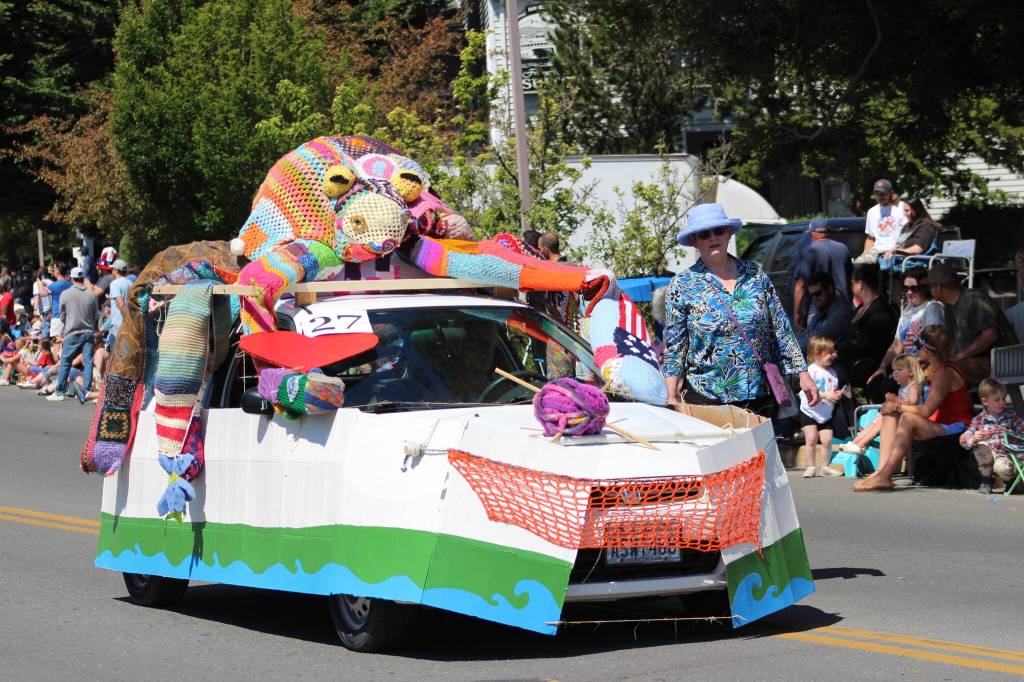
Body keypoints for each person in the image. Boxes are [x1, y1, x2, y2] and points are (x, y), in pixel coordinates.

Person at [664, 203, 819, 417]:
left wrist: (803, 374)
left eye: (719, 230)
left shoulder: (754, 274)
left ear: (728, 234)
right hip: (707, 396)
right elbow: (676, 344)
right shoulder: (682, 285)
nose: (712, 237)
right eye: (704, 233)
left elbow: (780, 327)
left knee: (759, 452)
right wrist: (670, 394)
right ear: (694, 241)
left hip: (759, 393)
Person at [854, 325, 974, 491]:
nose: (917, 351)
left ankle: (885, 474)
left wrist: (898, 405)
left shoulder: (945, 373)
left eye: (918, 347)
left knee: (907, 418)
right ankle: (881, 472)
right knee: (890, 413)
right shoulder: (937, 370)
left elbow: (926, 411)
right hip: (942, 424)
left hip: (957, 428)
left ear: (925, 348)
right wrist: (895, 407)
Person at [922, 261, 1017, 386]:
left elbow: (991, 335)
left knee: (942, 373)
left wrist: (958, 357)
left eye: (930, 287)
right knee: (926, 371)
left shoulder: (974, 299)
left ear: (940, 286)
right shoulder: (949, 306)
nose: (930, 291)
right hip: (978, 360)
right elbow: (952, 343)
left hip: (1001, 361)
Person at [866, 268, 944, 401]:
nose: (909, 292)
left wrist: (905, 369)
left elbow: (932, 347)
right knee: (874, 382)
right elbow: (897, 344)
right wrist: (882, 367)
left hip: (922, 367)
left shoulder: (932, 308)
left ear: (924, 287)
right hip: (906, 366)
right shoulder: (908, 310)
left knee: (887, 387)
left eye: (914, 288)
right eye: (905, 288)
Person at [840, 353, 925, 455]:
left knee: (881, 422)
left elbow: (912, 404)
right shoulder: (903, 387)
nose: (895, 373)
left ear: (911, 372)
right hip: (900, 416)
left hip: (909, 419)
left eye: (899, 369)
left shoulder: (913, 386)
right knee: (875, 421)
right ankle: (855, 442)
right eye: (894, 370)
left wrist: (896, 399)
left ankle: (862, 444)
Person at [959, 379, 1024, 495]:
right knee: (981, 446)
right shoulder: (979, 420)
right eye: (997, 399)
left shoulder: (1010, 417)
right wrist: (973, 438)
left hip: (1004, 456)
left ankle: (1010, 481)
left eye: (1004, 398)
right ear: (985, 401)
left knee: (1006, 468)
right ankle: (986, 481)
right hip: (987, 456)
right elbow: (963, 439)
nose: (1002, 402)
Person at [836, 264, 896, 386]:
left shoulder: (881, 311)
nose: (851, 287)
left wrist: (839, 348)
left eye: (852, 283)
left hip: (864, 367)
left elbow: (868, 345)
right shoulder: (860, 308)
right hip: (848, 360)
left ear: (860, 284)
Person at [48, 266, 99, 401]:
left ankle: (59, 392)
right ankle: (86, 390)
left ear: (71, 278)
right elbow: (95, 316)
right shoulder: (91, 294)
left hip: (72, 332)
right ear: (83, 278)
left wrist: (69, 322)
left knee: (65, 362)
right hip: (88, 331)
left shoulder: (65, 294)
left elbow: (62, 316)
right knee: (88, 362)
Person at [792, 218, 852, 329]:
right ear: (827, 232)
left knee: (817, 344)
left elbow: (801, 285)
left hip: (818, 311)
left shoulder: (809, 252)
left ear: (812, 233)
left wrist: (797, 313)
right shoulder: (843, 249)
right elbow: (851, 281)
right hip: (843, 308)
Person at [799, 336, 844, 477]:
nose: (834, 355)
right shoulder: (811, 371)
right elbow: (808, 391)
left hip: (825, 412)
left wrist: (837, 395)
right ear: (818, 353)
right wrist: (825, 396)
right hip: (810, 411)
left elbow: (833, 389)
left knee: (827, 439)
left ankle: (825, 466)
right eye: (830, 352)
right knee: (811, 438)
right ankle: (810, 466)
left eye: (834, 352)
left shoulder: (832, 373)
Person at [854, 179, 908, 264]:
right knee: (858, 265)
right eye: (877, 194)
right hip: (877, 250)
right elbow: (870, 238)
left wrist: (895, 249)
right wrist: (865, 254)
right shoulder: (872, 212)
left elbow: (908, 233)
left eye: (883, 194)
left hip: (897, 250)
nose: (880, 197)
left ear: (890, 193)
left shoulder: (902, 208)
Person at [800, 272, 853, 349]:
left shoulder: (842, 313)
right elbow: (805, 335)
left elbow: (814, 342)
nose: (814, 299)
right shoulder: (821, 313)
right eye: (811, 296)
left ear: (830, 290)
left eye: (818, 294)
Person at [106, 259, 131, 352]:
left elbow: (120, 304)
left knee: (116, 355)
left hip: (118, 324)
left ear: (116, 270)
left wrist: (126, 320)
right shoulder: (131, 283)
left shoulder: (114, 284)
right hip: (129, 324)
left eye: (113, 269)